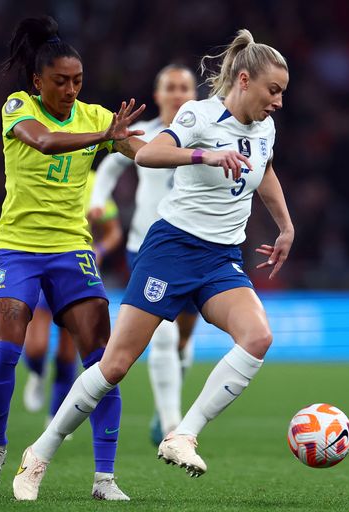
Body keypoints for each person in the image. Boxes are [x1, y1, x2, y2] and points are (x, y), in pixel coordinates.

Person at [13, 28, 293, 500]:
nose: (279, 102)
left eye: (282, 93)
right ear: (244, 80)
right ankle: (40, 452)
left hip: (222, 257)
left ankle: (183, 434)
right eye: (274, 91)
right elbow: (151, 152)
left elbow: (263, 169)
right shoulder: (200, 114)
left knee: (258, 337)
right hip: (171, 249)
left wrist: (285, 226)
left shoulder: (264, 127)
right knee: (116, 365)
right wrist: (205, 153)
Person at [0, 16, 145, 501]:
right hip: (17, 248)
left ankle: (104, 479)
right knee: (7, 349)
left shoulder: (95, 116)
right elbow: (44, 141)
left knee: (105, 361)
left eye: (78, 81)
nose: (71, 90)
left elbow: (138, 150)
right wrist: (104, 137)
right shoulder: (18, 106)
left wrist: (191, 154)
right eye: (61, 81)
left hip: (72, 248)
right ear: (37, 80)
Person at [89, 64, 198, 445]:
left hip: (196, 249)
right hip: (147, 248)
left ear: (194, 93)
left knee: (183, 338)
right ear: (158, 94)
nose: (178, 93)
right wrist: (98, 201)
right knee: (164, 336)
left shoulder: (208, 136)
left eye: (184, 86)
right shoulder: (148, 135)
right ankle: (171, 423)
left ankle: (167, 406)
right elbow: (111, 163)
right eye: (171, 86)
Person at [23, 171, 123, 423]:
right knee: (36, 348)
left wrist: (98, 249)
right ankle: (37, 371)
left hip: (73, 269)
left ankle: (54, 416)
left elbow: (113, 231)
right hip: (41, 262)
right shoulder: (40, 168)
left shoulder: (93, 182)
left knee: (67, 351)